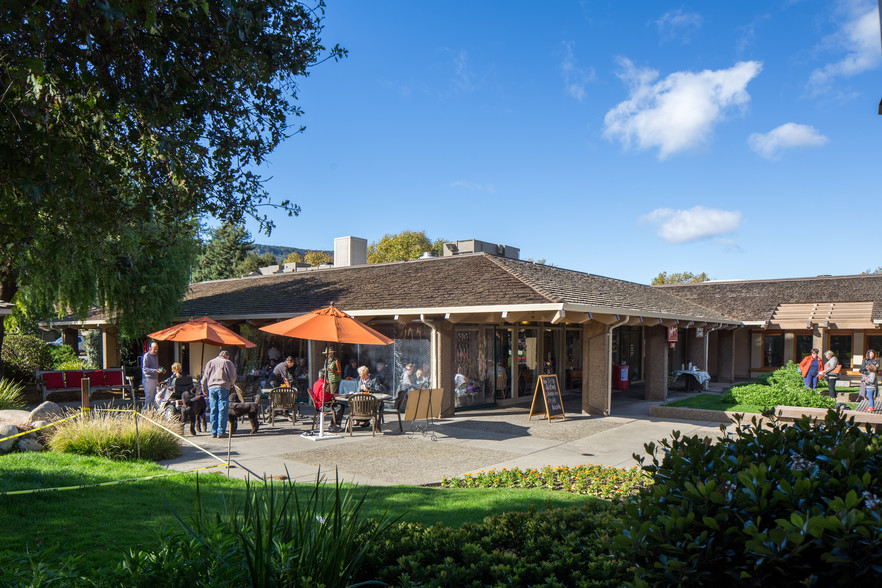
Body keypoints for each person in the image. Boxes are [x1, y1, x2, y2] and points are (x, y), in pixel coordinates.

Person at [200, 349, 237, 438]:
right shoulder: (227, 362)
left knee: (213, 409)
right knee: (223, 410)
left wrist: (204, 388)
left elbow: (204, 378)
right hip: (223, 387)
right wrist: (231, 384)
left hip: (211, 388)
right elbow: (233, 377)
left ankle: (213, 432)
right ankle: (221, 431)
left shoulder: (210, 362)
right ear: (226, 355)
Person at [141, 341, 165, 411]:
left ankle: (151, 413)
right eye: (154, 348)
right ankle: (146, 413)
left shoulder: (156, 356)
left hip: (154, 378)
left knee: (155, 397)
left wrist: (162, 369)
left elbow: (157, 366)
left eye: (156, 349)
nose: (155, 350)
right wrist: (155, 370)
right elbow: (144, 369)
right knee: (149, 397)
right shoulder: (147, 356)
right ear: (150, 348)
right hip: (148, 379)